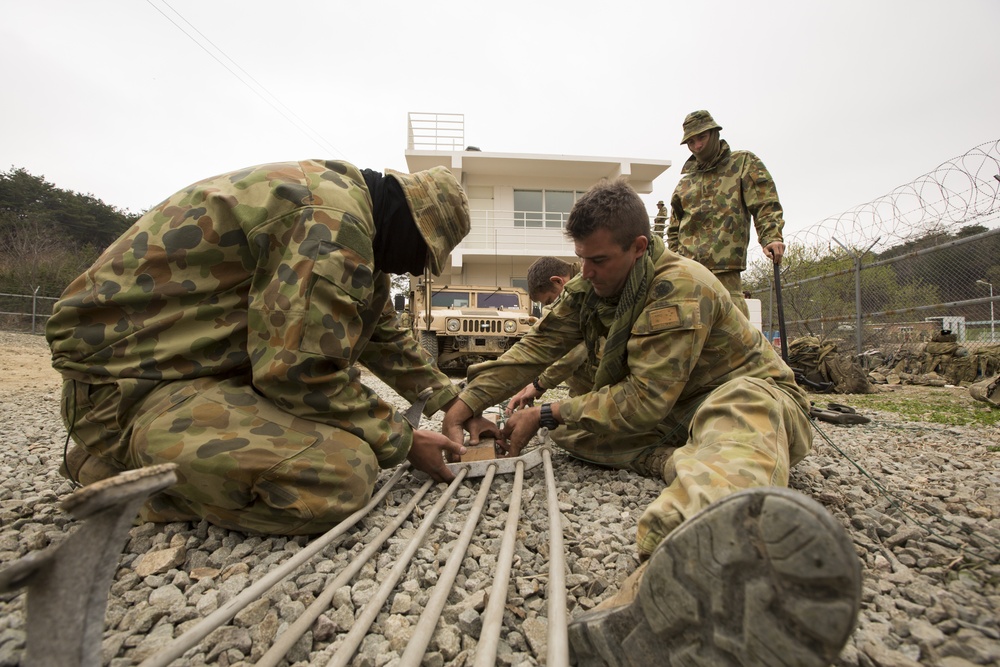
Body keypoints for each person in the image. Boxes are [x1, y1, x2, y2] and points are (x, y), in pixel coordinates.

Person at [443, 177, 860, 666]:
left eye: (598, 261)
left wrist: (547, 410)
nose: (586, 272)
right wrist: (462, 407)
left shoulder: (679, 286)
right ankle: (679, 460)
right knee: (573, 434)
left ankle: (682, 573)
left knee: (735, 415)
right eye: (581, 259)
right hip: (675, 415)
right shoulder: (591, 284)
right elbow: (538, 347)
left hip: (742, 396)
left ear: (639, 248)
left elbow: (642, 400)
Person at [47, 159, 471, 535]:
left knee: (351, 437)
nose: (415, 268)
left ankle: (148, 457)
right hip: (125, 392)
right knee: (340, 476)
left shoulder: (348, 210)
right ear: (411, 224)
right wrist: (404, 439)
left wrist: (453, 402)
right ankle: (125, 479)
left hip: (181, 377)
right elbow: (299, 372)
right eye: (422, 255)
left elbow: (383, 335)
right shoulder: (330, 226)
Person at [668, 110, 786, 318]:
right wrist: (676, 265)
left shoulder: (741, 163)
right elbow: (674, 230)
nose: (697, 146)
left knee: (735, 336)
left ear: (714, 133)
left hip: (726, 270)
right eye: (691, 142)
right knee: (691, 336)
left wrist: (771, 236)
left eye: (702, 137)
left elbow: (764, 201)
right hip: (690, 274)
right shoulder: (685, 183)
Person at [505, 257, 591, 413]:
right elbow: (543, 347)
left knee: (564, 433)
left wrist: (540, 384)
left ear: (558, 282)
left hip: (623, 395)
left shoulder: (588, 285)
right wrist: (531, 382)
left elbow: (575, 351)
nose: (552, 306)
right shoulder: (577, 289)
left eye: (550, 300)